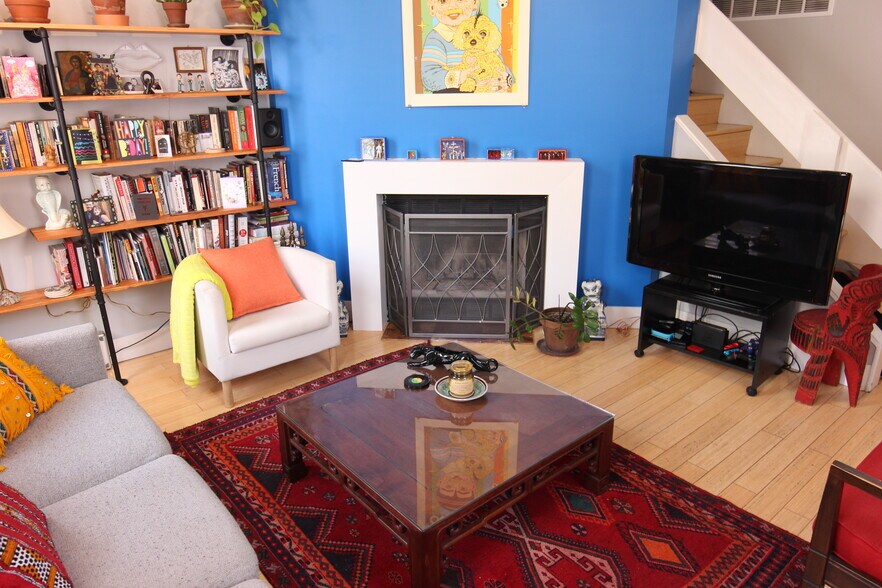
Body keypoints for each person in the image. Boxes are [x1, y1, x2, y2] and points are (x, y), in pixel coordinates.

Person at [419, 0, 512, 93]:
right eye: (443, 1)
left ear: (474, 3)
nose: (452, 7)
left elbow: (500, 65)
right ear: (432, 8)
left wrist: (505, 79)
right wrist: (463, 77)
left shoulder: (484, 32)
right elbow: (428, 77)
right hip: (451, 101)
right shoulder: (436, 38)